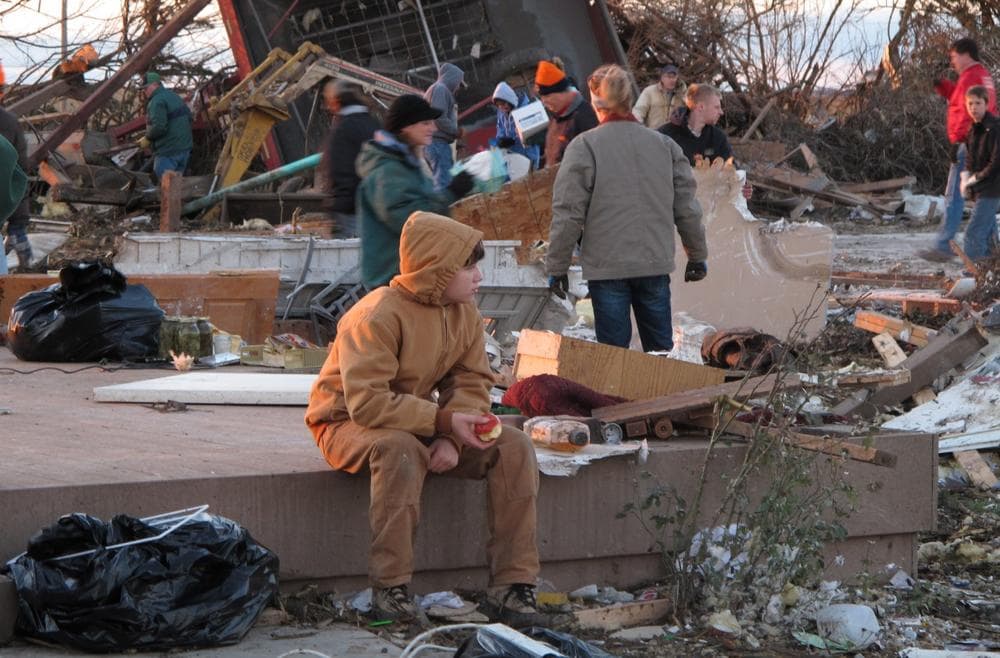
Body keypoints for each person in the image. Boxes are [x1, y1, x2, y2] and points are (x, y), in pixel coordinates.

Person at [304, 211, 543, 625]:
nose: (477, 276)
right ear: (436, 268)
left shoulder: (462, 310)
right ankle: (390, 590)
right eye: (467, 266)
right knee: (400, 449)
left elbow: (471, 381)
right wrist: (445, 425)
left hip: (419, 421)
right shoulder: (375, 315)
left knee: (514, 445)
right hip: (346, 424)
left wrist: (452, 437)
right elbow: (368, 405)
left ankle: (513, 588)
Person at [546, 64, 707, 352]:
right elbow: (687, 208)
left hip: (606, 268)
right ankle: (666, 397)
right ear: (631, 100)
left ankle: (619, 399)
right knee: (660, 353)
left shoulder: (585, 146)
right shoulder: (665, 145)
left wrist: (556, 267)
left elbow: (568, 213)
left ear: (598, 103)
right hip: (653, 263)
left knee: (613, 356)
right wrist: (697, 255)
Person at [355, 94, 474, 290]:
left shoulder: (405, 164)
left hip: (405, 276)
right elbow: (412, 223)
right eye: (425, 123)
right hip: (391, 280)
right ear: (405, 126)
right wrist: (450, 193)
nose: (433, 128)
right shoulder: (388, 170)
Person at [918, 37, 997, 262]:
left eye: (953, 57)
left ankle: (944, 245)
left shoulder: (972, 76)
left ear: (965, 54)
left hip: (969, 143)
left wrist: (961, 140)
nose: (952, 62)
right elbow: (963, 100)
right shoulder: (980, 75)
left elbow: (971, 111)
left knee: (954, 195)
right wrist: (943, 86)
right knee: (983, 196)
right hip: (979, 142)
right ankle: (991, 251)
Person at [320, 79, 380, 238]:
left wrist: (337, 205)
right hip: (374, 206)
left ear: (336, 101)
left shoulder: (343, 128)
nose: (328, 107)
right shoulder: (373, 124)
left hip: (350, 209)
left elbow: (339, 170)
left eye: (329, 101)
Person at [958, 85, 1000, 261]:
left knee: (974, 233)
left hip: (993, 187)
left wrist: (976, 178)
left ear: (986, 104)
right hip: (980, 187)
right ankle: (993, 269)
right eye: (970, 103)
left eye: (978, 103)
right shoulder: (973, 129)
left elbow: (996, 162)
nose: (974, 107)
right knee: (989, 232)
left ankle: (976, 273)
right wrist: (966, 177)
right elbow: (970, 157)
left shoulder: (995, 128)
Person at [535, 59, 598, 168]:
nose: (545, 102)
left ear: (561, 92)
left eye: (547, 96)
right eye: (542, 98)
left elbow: (595, 157)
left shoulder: (584, 116)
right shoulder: (555, 121)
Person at [138, 71, 193, 180]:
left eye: (146, 88)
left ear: (155, 85)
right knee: (176, 186)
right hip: (184, 150)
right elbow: (190, 118)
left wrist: (147, 138)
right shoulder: (175, 96)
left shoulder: (156, 101)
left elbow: (159, 127)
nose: (144, 92)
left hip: (168, 152)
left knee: (165, 187)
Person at [0, 99, 32, 270]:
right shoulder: (9, 124)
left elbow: (17, 175)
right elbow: (18, 176)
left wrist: (18, 223)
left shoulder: (7, 124)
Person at [423, 62, 464, 190]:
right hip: (437, 144)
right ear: (452, 78)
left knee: (446, 182)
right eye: (458, 82)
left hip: (433, 144)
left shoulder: (434, 89)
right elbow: (439, 117)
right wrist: (456, 131)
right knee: (444, 185)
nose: (458, 87)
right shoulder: (441, 89)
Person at [492, 81, 541, 170]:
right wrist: (500, 141)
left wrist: (513, 140)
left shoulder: (526, 109)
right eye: (499, 105)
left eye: (503, 103)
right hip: (513, 159)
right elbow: (500, 129)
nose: (502, 107)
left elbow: (530, 135)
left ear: (509, 99)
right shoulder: (501, 113)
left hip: (529, 157)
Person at [632, 63, 686, 129]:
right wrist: (639, 129)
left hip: (674, 137)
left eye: (674, 77)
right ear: (662, 78)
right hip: (654, 135)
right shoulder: (649, 91)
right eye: (669, 77)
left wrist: (682, 90)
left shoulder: (682, 95)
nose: (672, 80)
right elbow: (638, 111)